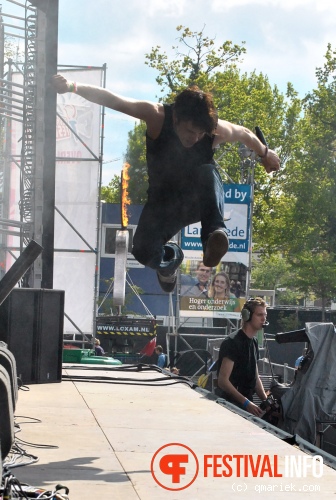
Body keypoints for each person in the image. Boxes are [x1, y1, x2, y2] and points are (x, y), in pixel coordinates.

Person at [52, 76, 280, 293]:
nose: (195, 138)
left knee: (207, 172)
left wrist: (265, 154)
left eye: (201, 134)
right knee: (142, 252)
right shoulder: (157, 116)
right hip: (162, 207)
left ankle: (214, 235)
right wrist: (73, 86)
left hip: (195, 201)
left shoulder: (214, 131)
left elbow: (244, 133)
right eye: (190, 131)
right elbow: (115, 100)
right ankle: (170, 261)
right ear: (176, 119)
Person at [216, 297, 268, 416]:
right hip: (230, 407)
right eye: (260, 315)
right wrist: (246, 403)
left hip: (246, 405)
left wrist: (266, 401)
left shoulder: (254, 342)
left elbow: (255, 377)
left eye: (265, 315)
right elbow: (223, 381)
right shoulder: (232, 342)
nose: (264, 319)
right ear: (247, 316)